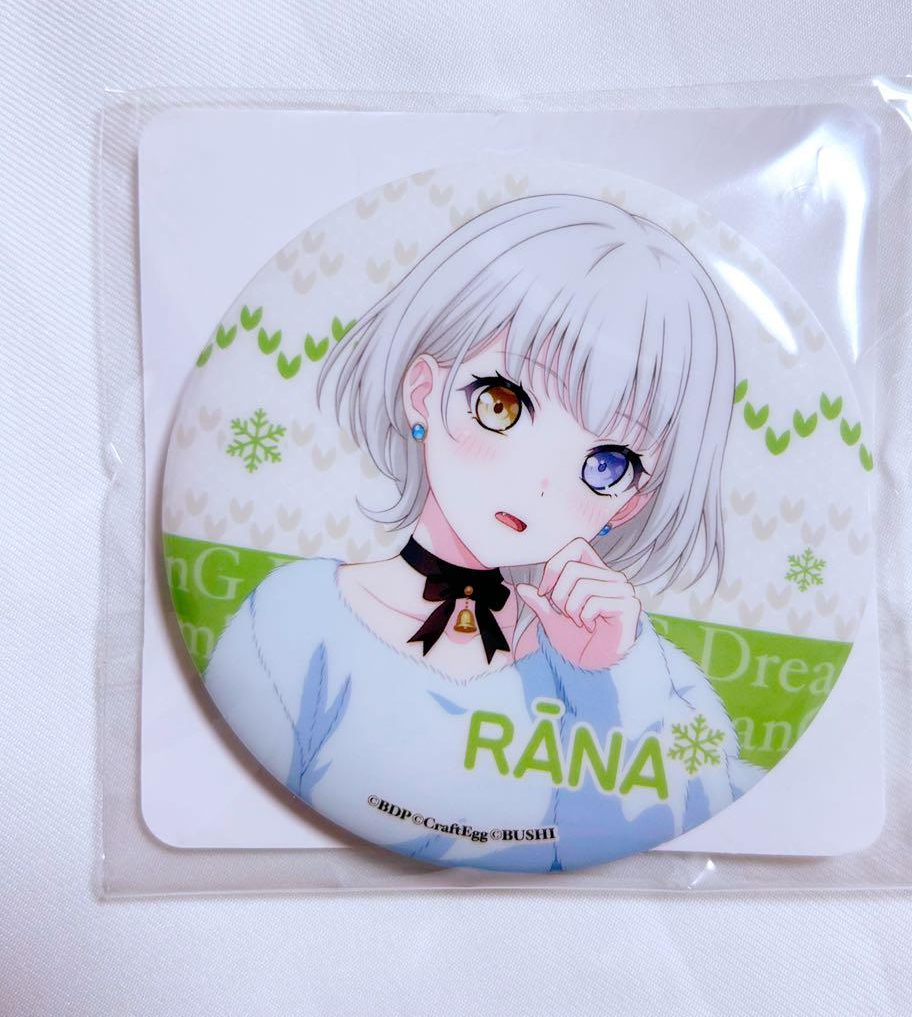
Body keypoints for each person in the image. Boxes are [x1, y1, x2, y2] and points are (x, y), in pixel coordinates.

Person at [204, 193, 762, 871]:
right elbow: (231, 800)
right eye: (502, 404)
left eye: (605, 463)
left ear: (629, 503)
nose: (536, 485)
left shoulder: (641, 674)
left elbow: (678, 828)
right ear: (422, 392)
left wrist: (606, 680)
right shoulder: (296, 619)